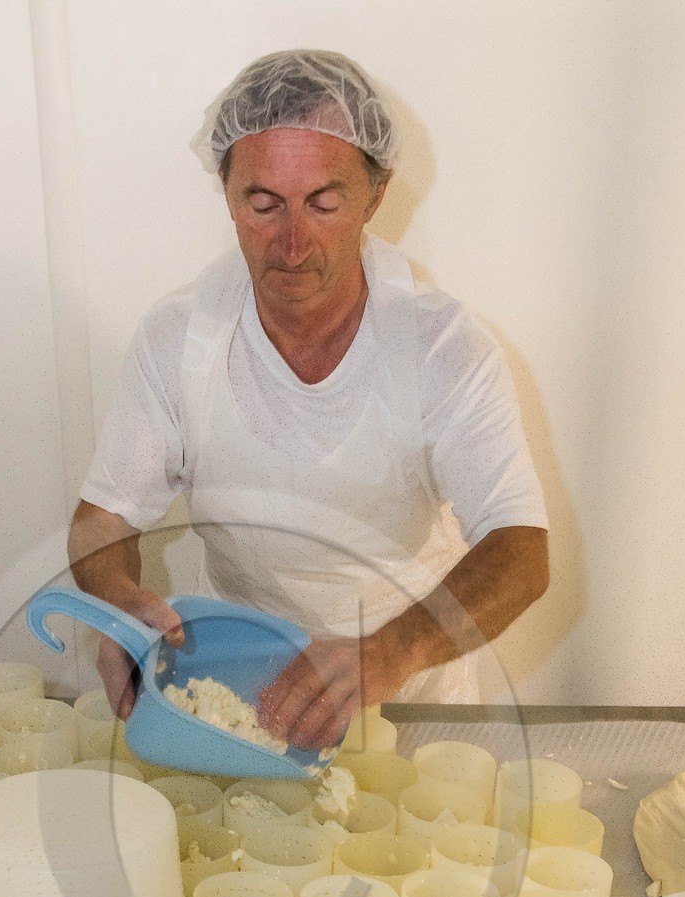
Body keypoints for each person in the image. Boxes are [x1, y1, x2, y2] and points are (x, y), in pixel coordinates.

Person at [68, 49, 549, 750]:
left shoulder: (439, 347)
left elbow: (521, 550)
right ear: (228, 195)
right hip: (234, 692)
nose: (292, 243)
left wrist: (388, 652)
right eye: (262, 204)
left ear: (374, 196)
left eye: (324, 202)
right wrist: (116, 602)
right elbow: (102, 517)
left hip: (410, 697)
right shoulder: (179, 340)